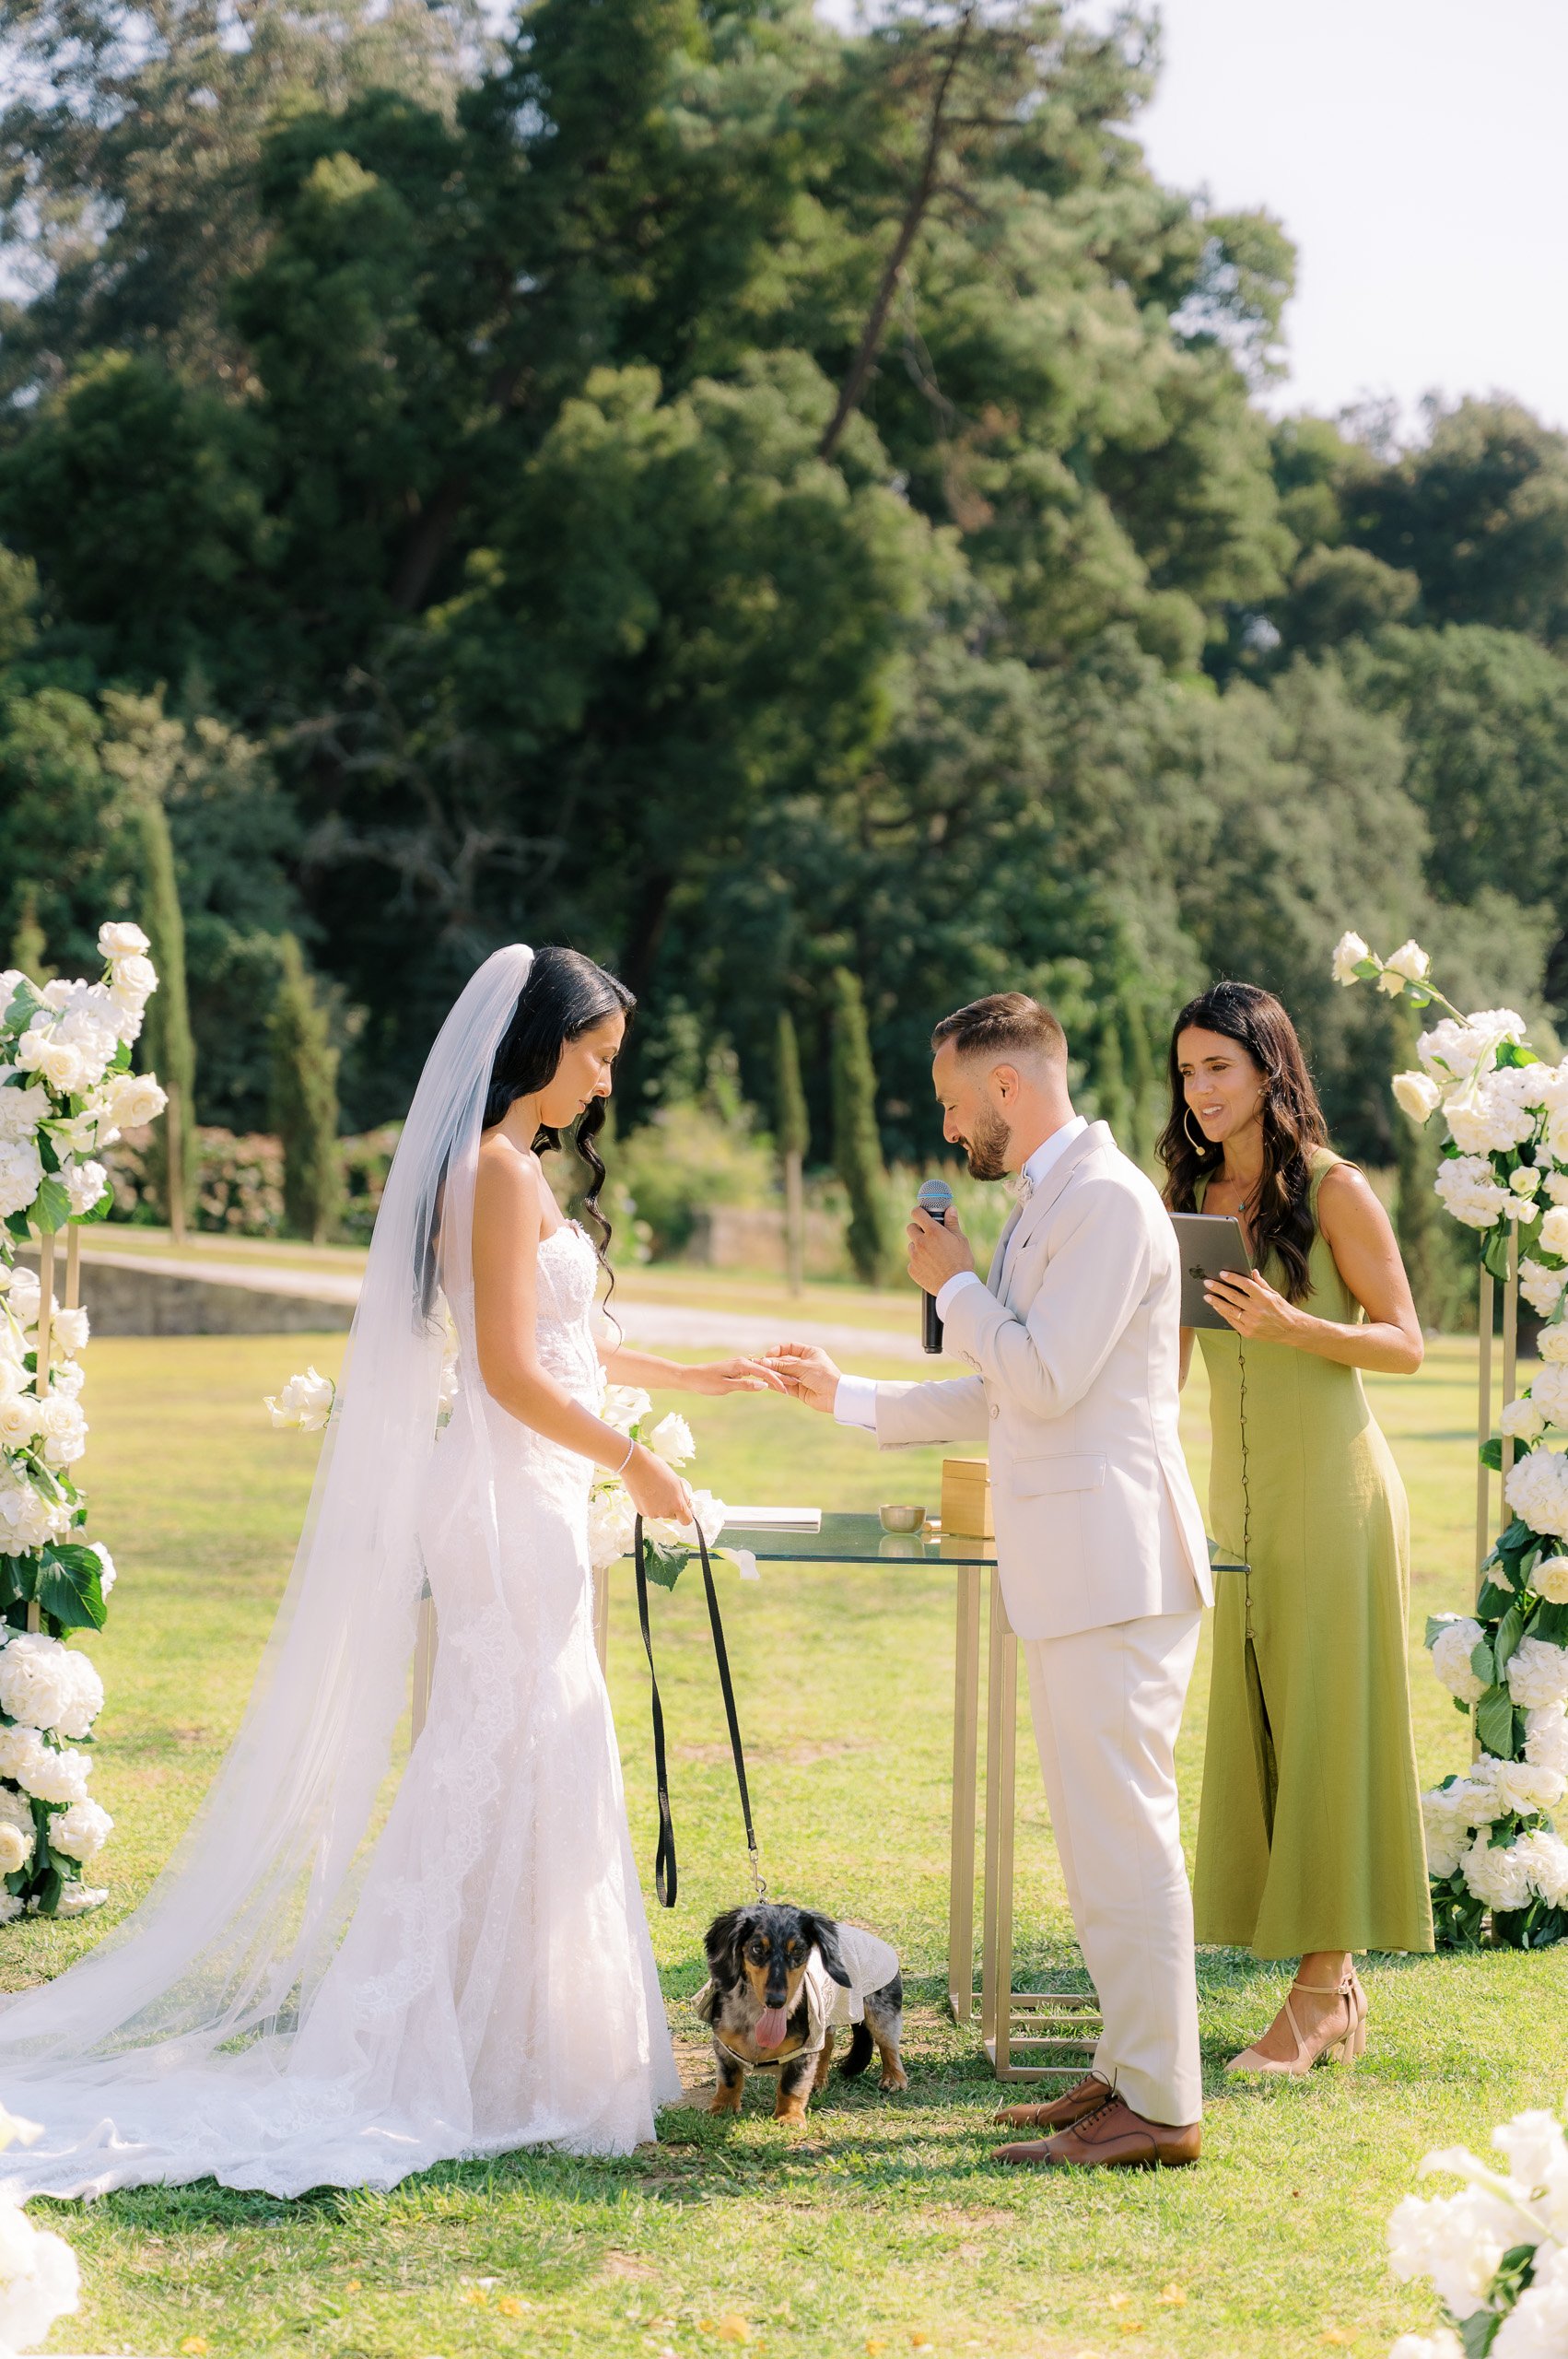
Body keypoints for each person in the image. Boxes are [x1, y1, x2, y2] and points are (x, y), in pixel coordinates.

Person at [0, 944, 783, 2199]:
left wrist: (708, 1379)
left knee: (541, 1750)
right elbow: (509, 1377)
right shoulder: (482, 1171)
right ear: (536, 1043)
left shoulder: (522, 1170)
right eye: (593, 1056)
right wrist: (632, 1468)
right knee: (492, 1750)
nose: (602, 1083)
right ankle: (439, 2048)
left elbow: (574, 1347)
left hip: (532, 1490)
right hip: (497, 1496)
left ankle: (522, 2044)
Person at [767, 992, 1212, 2172]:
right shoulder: (1043, 1204)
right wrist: (847, 1398)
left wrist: (956, 1286)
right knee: (1094, 1842)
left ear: (1009, 1086)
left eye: (957, 1101)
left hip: (1117, 1568)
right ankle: (1126, 2067)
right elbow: (1000, 1388)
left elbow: (1048, 1375)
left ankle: (1163, 2108)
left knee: (1128, 1842)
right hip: (1074, 1573)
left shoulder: (1107, 1203)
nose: (951, 1125)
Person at [1162, 979, 1431, 2076]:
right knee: (1266, 1730)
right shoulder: (1186, 1192)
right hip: (1238, 1504)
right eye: (1185, 1071)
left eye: (1217, 1067)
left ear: (1270, 1069)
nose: (1199, 1089)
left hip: (1333, 1500)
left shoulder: (1331, 1187)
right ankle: (1332, 1985)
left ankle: (1320, 1996)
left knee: (1326, 1733)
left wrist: (1292, 1322)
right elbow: (1164, 1364)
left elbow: (1406, 1339)